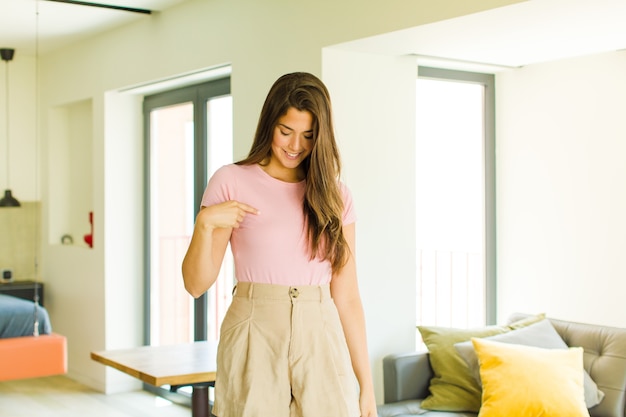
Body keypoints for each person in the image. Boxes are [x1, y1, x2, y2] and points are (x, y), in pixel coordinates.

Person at [182, 72, 377, 417]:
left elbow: (346, 296)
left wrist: (367, 387)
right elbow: (196, 284)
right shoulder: (231, 181)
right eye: (286, 131)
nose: (295, 145)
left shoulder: (336, 196)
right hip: (254, 327)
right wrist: (204, 224)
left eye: (308, 135)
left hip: (320, 330)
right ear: (270, 123)